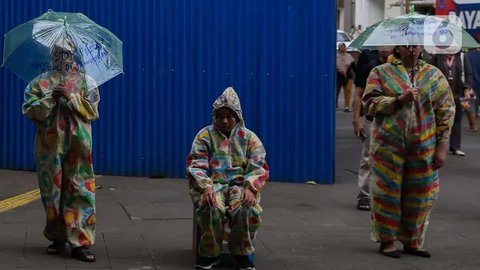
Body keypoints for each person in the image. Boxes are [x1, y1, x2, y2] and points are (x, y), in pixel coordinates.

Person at [362, 45, 455, 258]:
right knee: (387, 193)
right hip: (387, 146)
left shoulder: (433, 75)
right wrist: (398, 100)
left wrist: (442, 145)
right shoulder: (381, 72)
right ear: (398, 48)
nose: (412, 50)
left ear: (422, 48)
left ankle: (413, 241)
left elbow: (446, 111)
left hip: (424, 147)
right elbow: (369, 103)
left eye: (416, 46)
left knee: (422, 194)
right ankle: (387, 240)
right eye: (407, 46)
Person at [22, 37, 99, 262]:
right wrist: (49, 98)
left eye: (67, 53)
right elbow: (29, 110)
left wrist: (71, 97)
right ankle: (57, 237)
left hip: (79, 146)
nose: (63, 57)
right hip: (49, 147)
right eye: (58, 53)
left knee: (81, 190)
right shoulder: (40, 83)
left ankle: (81, 242)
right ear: (51, 55)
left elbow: (92, 110)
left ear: (73, 55)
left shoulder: (86, 82)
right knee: (51, 192)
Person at [187, 87, 269, 270]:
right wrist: (206, 186)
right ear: (214, 117)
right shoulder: (204, 136)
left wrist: (250, 187)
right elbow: (195, 164)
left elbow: (259, 166)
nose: (224, 121)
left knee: (246, 208)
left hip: (240, 186)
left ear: (237, 117)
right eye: (220, 116)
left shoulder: (249, 138)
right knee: (211, 206)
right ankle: (209, 254)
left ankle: (242, 252)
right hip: (212, 185)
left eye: (229, 116)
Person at [352, 47, 391, 211]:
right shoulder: (370, 68)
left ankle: (387, 194)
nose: (384, 50)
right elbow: (359, 94)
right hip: (371, 119)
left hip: (392, 120)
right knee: (368, 156)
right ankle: (364, 194)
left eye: (388, 47)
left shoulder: (400, 71)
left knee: (391, 158)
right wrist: (356, 119)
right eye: (382, 46)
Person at [430, 52, 473, 156]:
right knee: (437, 120)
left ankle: (455, 147)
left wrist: (467, 88)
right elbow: (430, 72)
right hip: (440, 95)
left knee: (456, 121)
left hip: (456, 93)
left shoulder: (462, 56)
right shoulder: (437, 56)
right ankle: (435, 146)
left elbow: (468, 73)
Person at [336, 43, 356, 112]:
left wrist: (357, 74)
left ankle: (347, 106)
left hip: (348, 76)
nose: (343, 48)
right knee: (336, 91)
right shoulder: (335, 56)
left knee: (348, 91)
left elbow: (353, 66)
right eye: (341, 46)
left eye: (344, 46)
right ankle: (335, 104)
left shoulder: (349, 56)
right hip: (338, 76)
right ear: (339, 48)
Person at [467, 47, 480, 130]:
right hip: (479, 83)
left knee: (471, 105)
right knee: (477, 104)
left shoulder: (466, 55)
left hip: (470, 84)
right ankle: (473, 124)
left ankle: (473, 125)